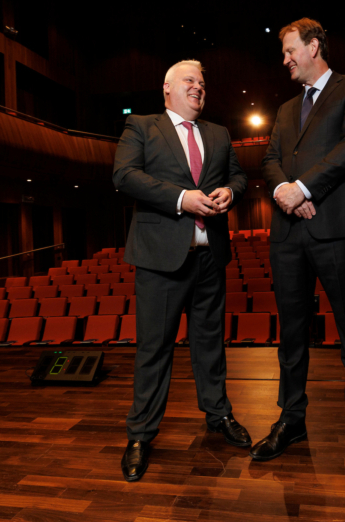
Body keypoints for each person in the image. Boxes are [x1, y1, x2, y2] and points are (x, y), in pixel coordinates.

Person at [112, 60, 250, 482]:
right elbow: (124, 175)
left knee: (210, 344)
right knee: (154, 349)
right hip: (160, 259)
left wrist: (230, 192)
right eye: (190, 80)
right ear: (167, 88)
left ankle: (218, 414)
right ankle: (140, 435)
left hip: (210, 257)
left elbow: (239, 176)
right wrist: (180, 199)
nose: (198, 87)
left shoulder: (219, 133)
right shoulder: (141, 126)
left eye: (202, 83)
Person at [255, 18, 345, 479]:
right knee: (291, 335)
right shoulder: (287, 108)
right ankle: (291, 420)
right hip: (289, 234)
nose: (285, 60)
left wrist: (304, 188)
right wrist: (285, 191)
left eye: (290, 50)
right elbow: (271, 159)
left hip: (338, 230)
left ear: (314, 46)